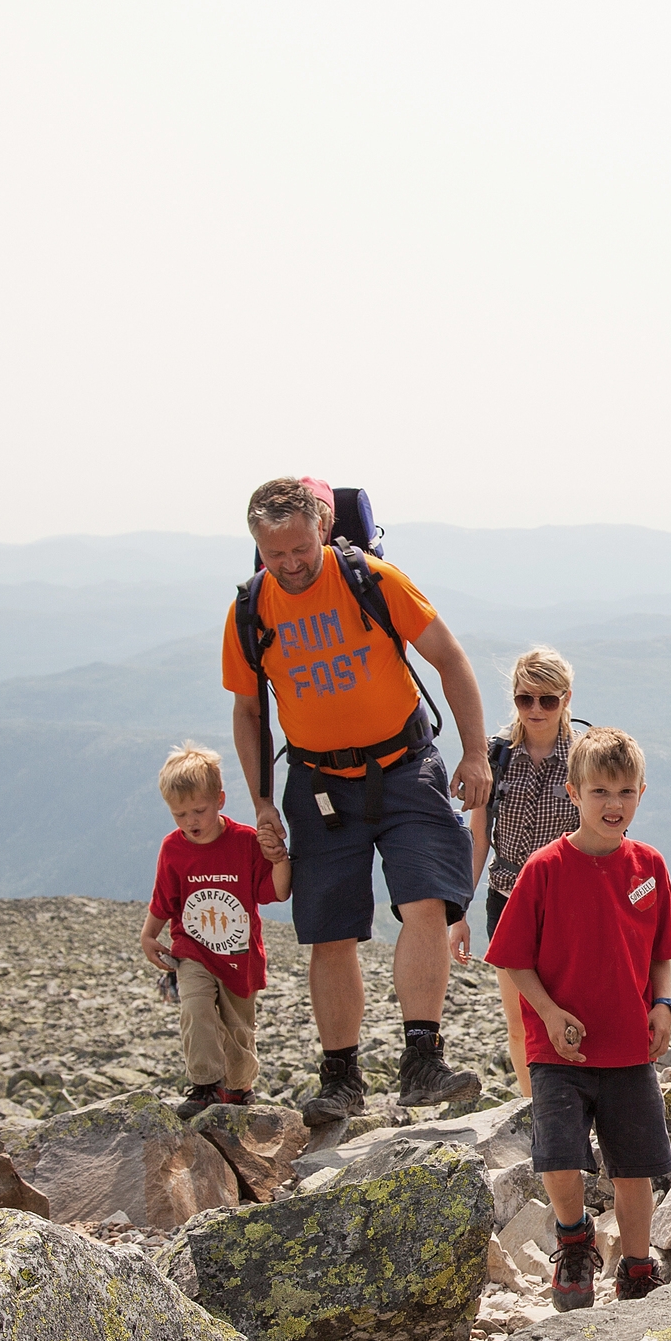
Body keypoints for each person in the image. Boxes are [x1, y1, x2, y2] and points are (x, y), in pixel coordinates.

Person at [226, 477, 491, 1116]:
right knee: (330, 931)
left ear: (322, 527)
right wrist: (261, 800)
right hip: (317, 783)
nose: (289, 564)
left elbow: (450, 660)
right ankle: (341, 1078)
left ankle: (423, 1061)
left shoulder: (372, 579)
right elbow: (247, 712)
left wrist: (475, 752)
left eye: (299, 549)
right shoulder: (250, 610)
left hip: (405, 766)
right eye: (274, 554)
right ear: (258, 548)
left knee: (426, 901)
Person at [482, 729, 671, 1312]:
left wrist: (663, 1004)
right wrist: (548, 1013)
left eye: (625, 791)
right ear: (573, 792)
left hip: (628, 1048)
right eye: (599, 790)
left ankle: (638, 1269)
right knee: (561, 1157)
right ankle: (575, 1241)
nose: (612, 803)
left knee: (636, 1167)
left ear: (642, 793)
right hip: (559, 1053)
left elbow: (660, 950)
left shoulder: (650, 866)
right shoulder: (545, 869)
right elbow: (513, 955)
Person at [457, 647, 582, 1099]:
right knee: (518, 1020)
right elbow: (478, 838)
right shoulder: (494, 756)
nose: (535, 710)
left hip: (566, 904)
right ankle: (535, 1111)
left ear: (566, 699)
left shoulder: (582, 757)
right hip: (506, 899)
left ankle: (572, 1101)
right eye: (525, 699)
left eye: (547, 700)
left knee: (569, 1009)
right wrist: (459, 913)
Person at [141, 742, 290, 1117]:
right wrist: (148, 935)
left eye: (199, 810)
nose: (191, 820)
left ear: (220, 800)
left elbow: (277, 891)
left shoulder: (243, 842)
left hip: (239, 956)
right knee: (195, 1007)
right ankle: (205, 1085)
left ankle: (239, 1091)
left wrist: (279, 859)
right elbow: (164, 898)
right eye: (180, 814)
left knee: (239, 1030)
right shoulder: (172, 849)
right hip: (192, 950)